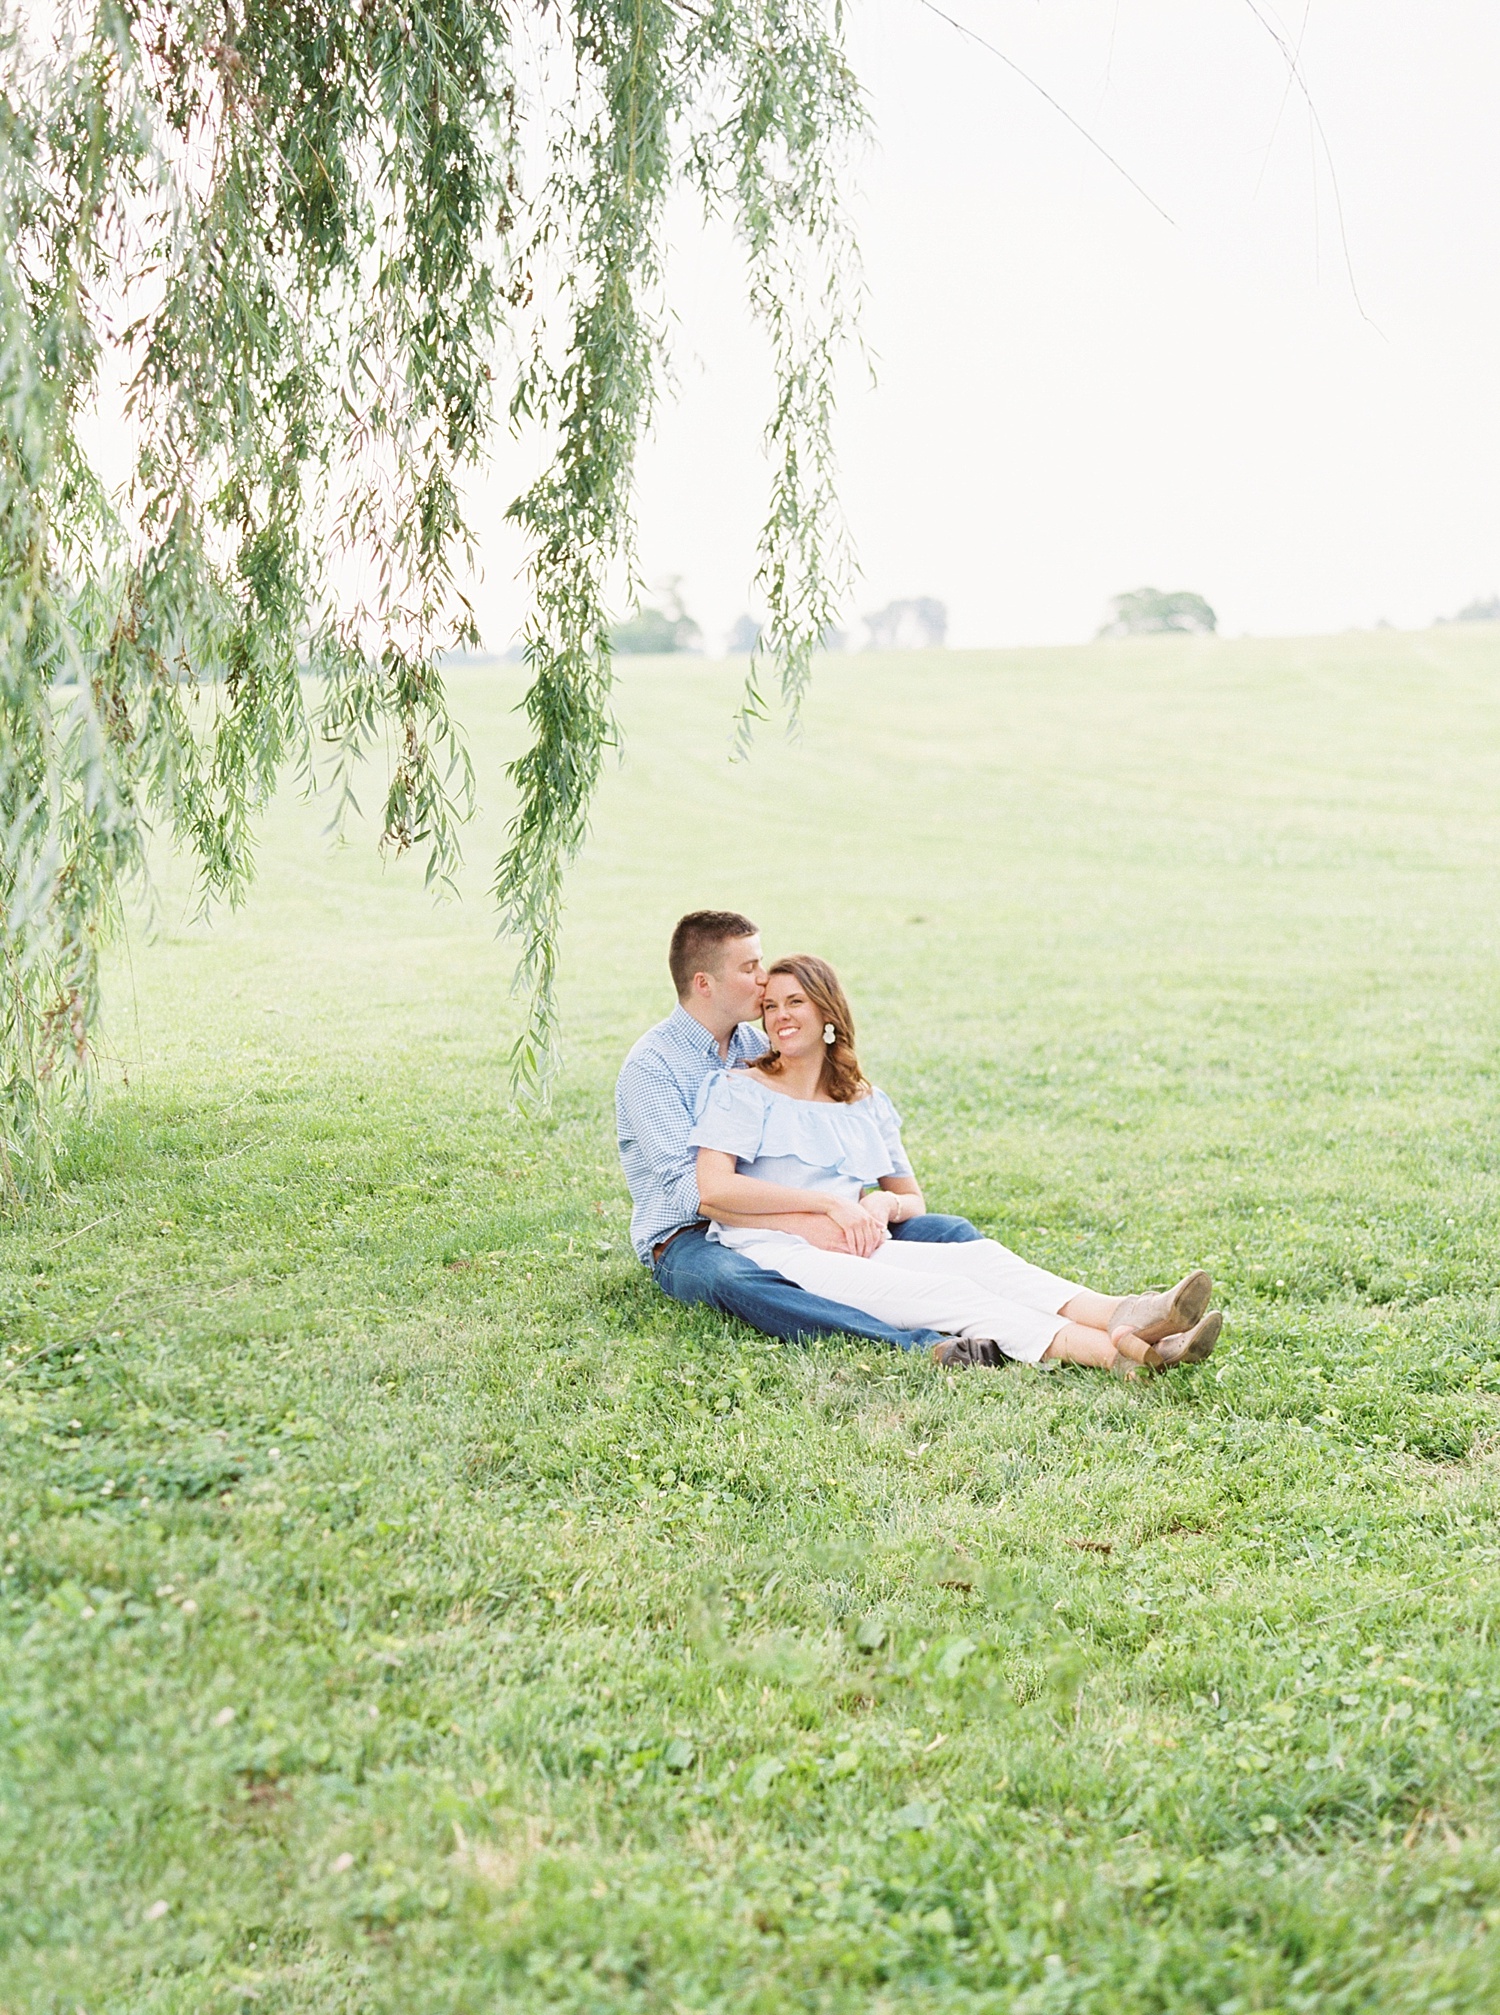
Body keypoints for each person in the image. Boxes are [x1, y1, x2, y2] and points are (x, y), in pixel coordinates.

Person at [688, 953, 1223, 1374]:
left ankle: (1133, 1317)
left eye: (795, 1002)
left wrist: (881, 1202)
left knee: (982, 1261)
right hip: (776, 1251)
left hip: (861, 1241)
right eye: (772, 1007)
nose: (780, 1017)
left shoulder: (862, 1101)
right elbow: (713, 1192)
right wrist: (829, 1205)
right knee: (950, 1296)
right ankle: (1120, 1356)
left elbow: (911, 1198)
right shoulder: (741, 1090)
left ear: (827, 1012)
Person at [616, 910, 987, 1350]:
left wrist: (858, 1208)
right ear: (704, 984)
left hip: (786, 1217)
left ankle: (1008, 1314)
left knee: (948, 1233)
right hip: (689, 1239)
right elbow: (693, 1194)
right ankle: (917, 1344)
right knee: (734, 1279)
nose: (763, 979)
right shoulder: (652, 1066)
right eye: (749, 967)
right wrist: (809, 1221)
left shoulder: (761, 1047)